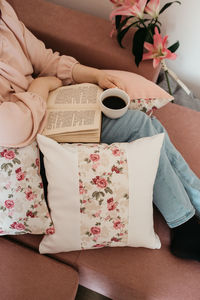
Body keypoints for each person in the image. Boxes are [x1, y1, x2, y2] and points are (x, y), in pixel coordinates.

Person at [1, 0, 200, 261]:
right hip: (26, 146)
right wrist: (41, 85)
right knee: (140, 127)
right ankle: (184, 226)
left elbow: (44, 58)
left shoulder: (3, 12)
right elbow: (14, 128)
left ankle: (194, 204)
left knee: (150, 126)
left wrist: (94, 76)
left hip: (48, 108)